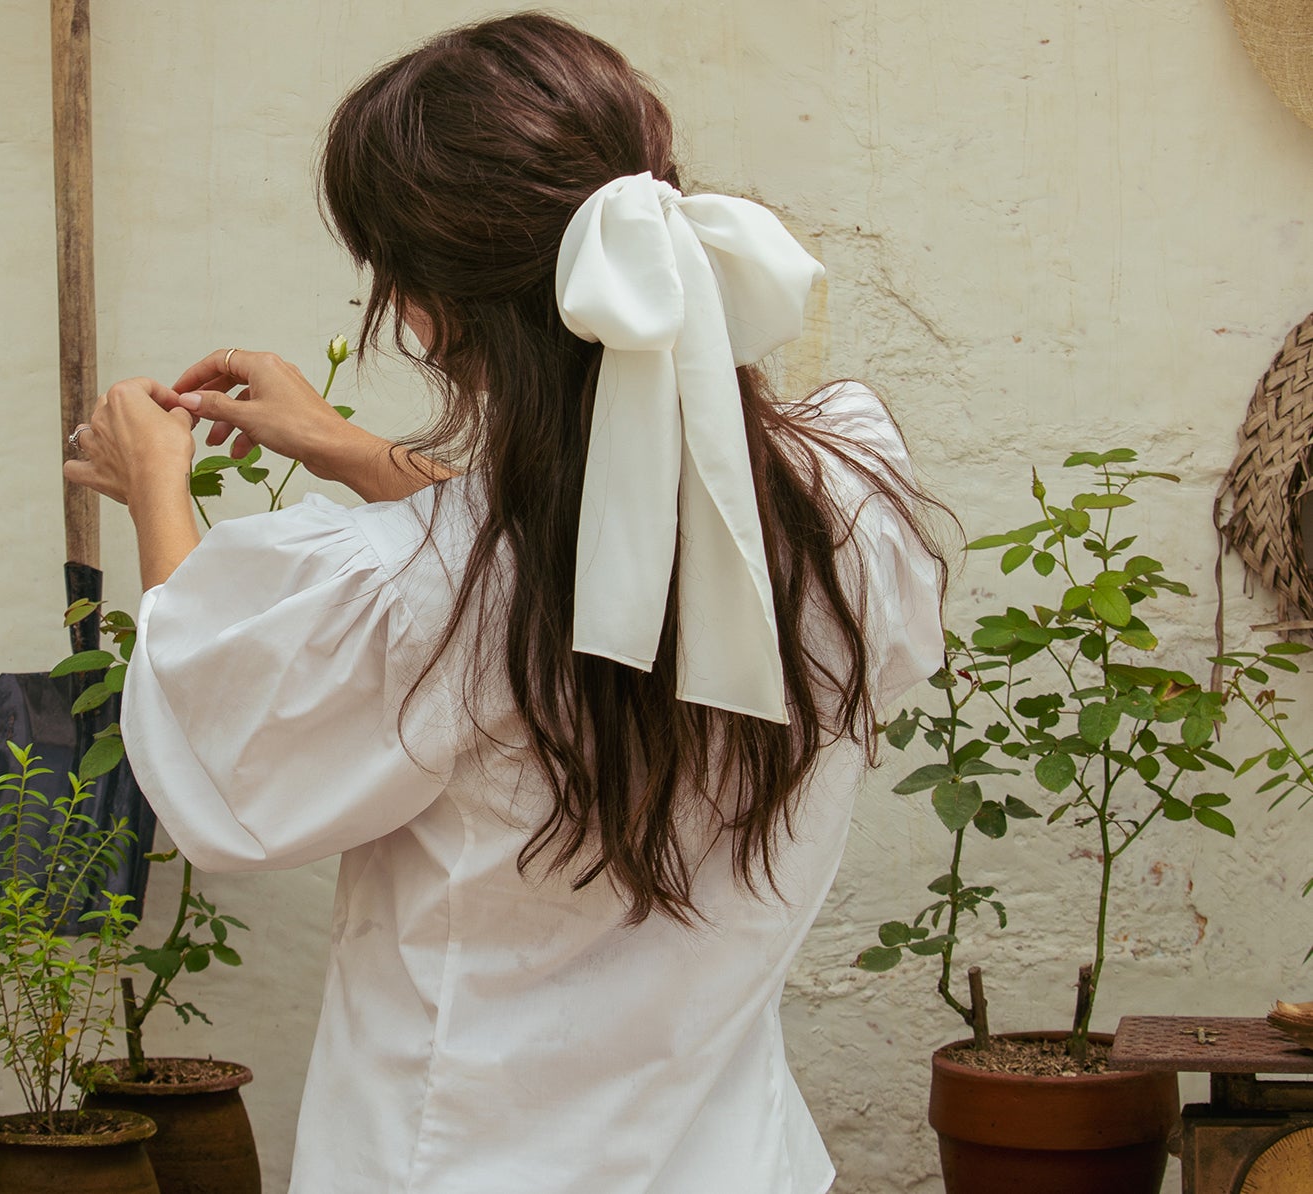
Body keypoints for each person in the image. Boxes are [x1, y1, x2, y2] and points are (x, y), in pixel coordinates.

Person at [63, 13, 945, 1193]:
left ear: (426, 308)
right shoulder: (843, 499)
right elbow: (588, 544)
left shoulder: (426, 588)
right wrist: (348, 448)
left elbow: (220, 738)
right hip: (734, 1160)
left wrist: (152, 489)